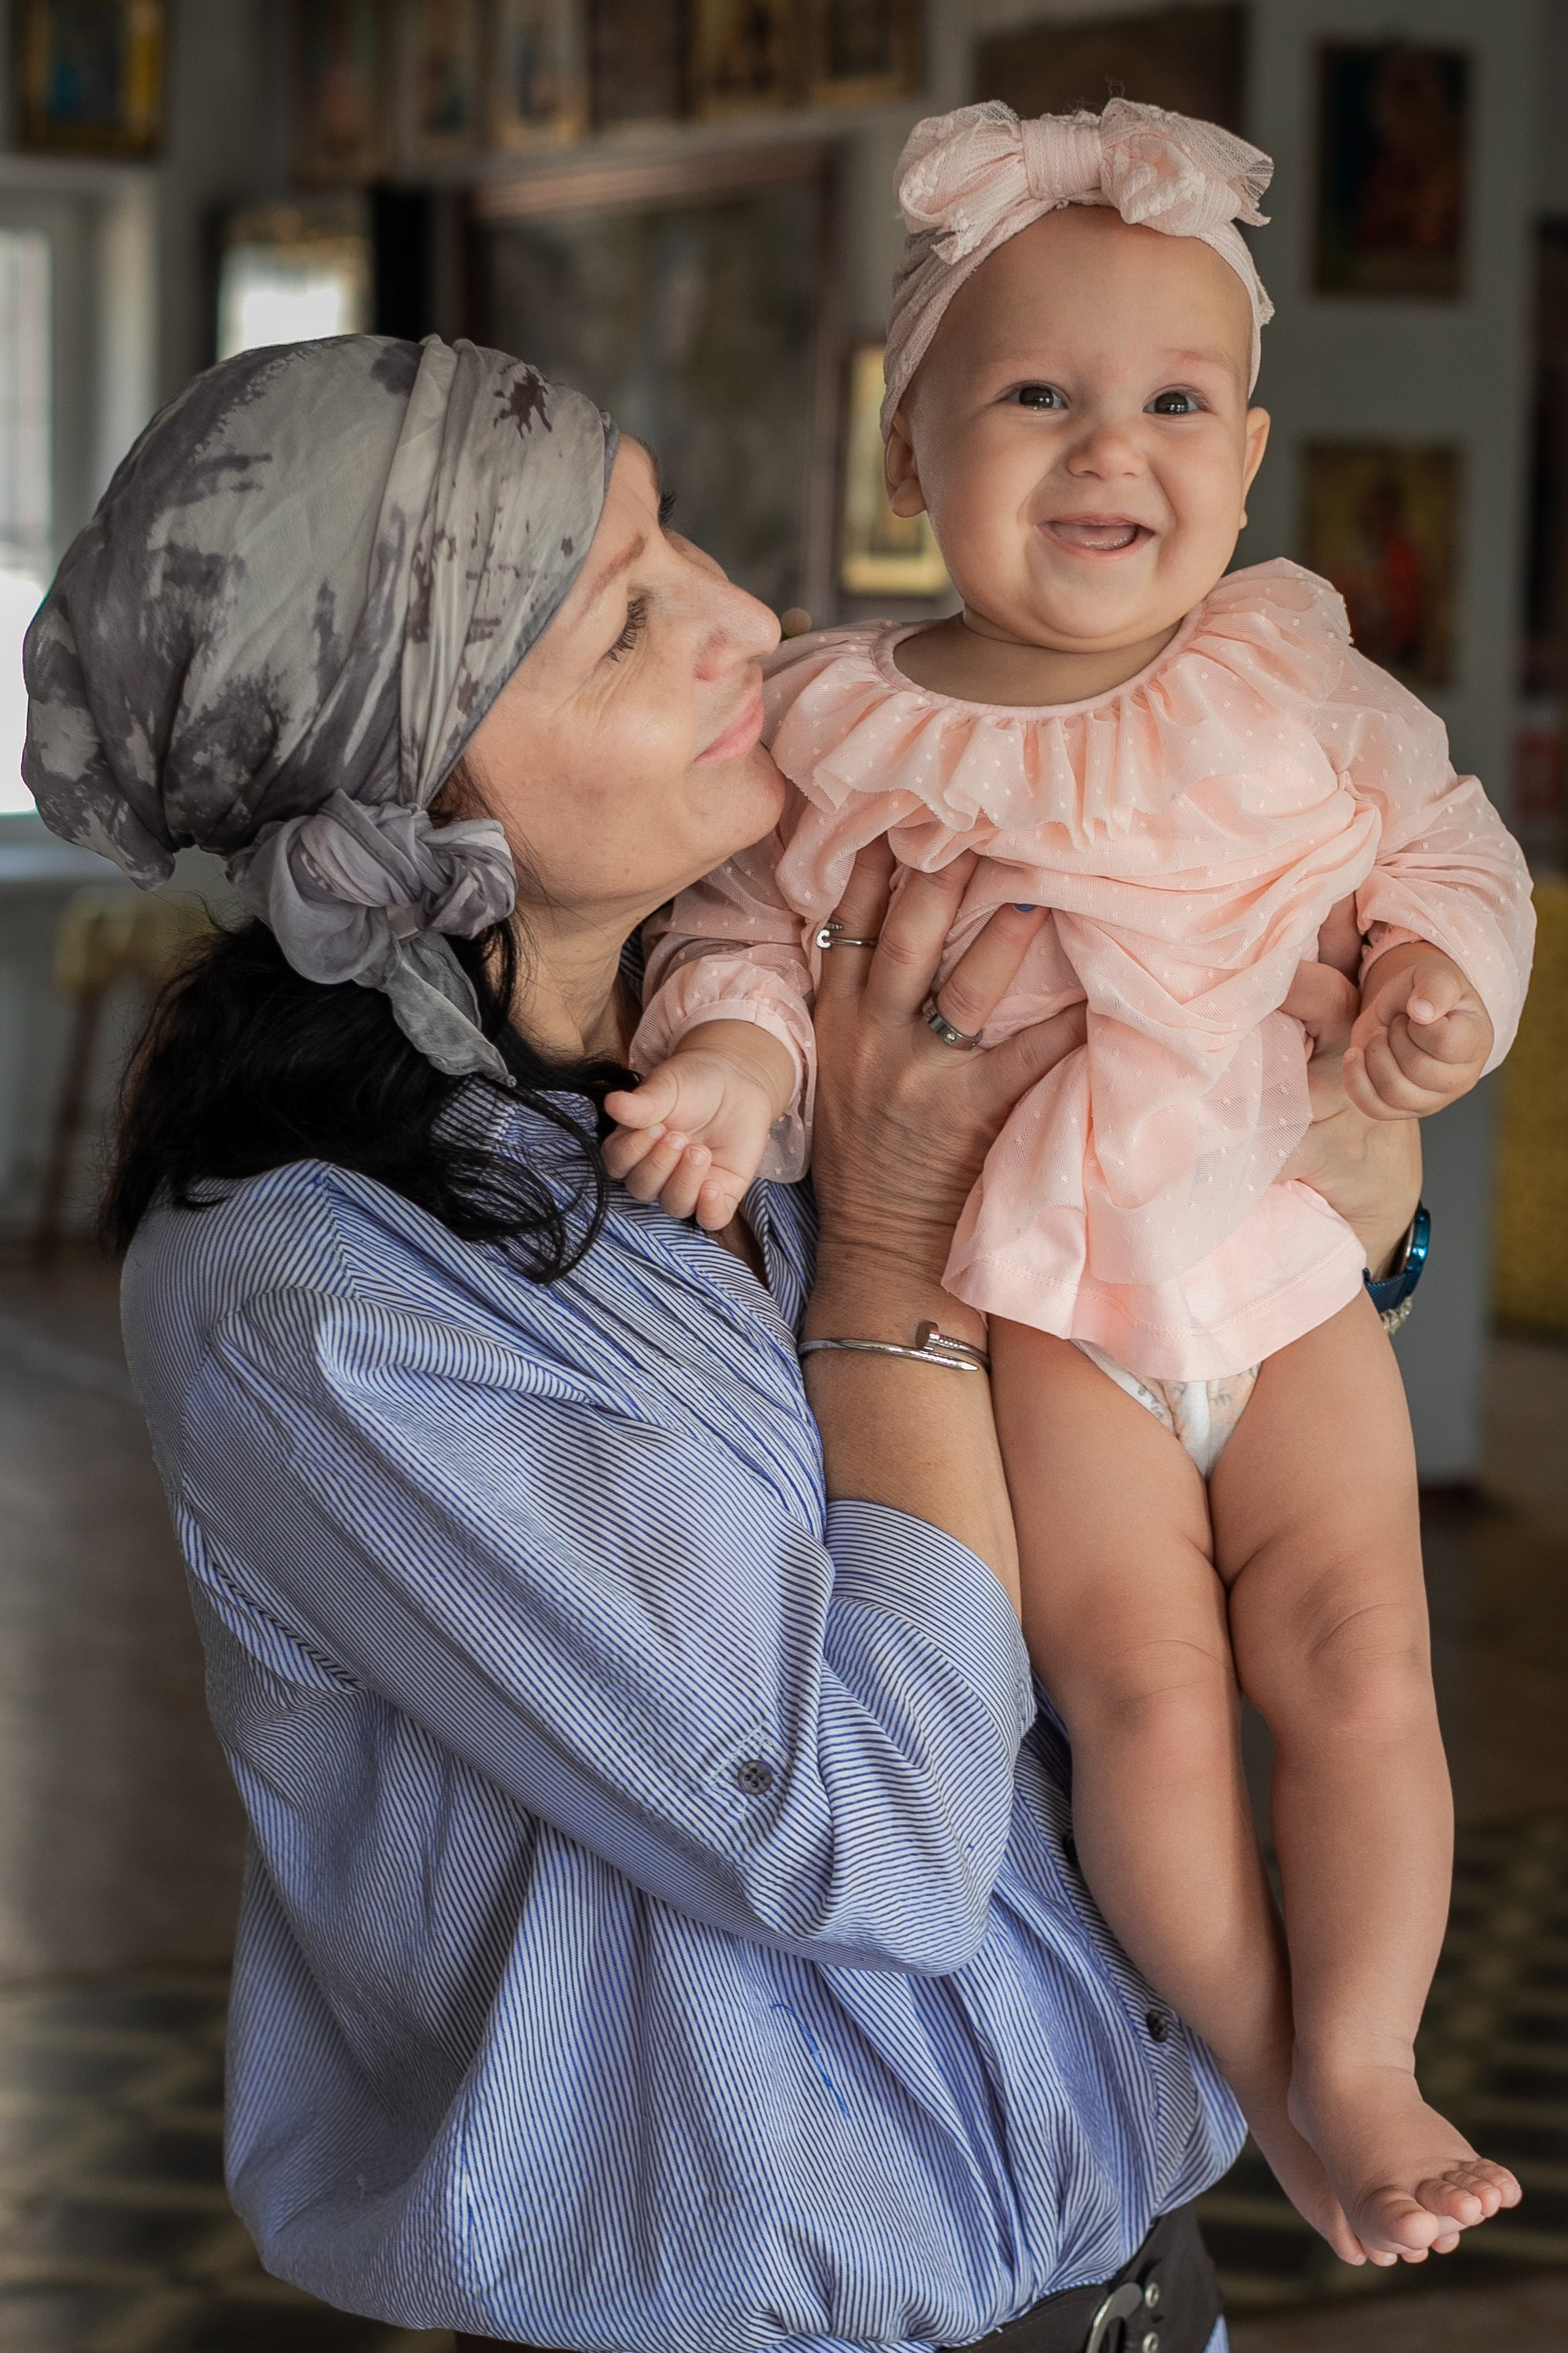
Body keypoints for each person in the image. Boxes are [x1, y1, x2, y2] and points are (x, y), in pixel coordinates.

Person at [25, 331, 1423, 2352]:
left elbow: (1133, 1403)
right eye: (624, 623)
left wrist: (1336, 1170)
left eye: (676, 535)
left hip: (1133, 2293)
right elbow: (870, 1849)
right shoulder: (315, 1306)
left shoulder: (772, 1030)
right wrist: (887, 1262)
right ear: (408, 793)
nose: (749, 622)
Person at [606, 100, 1534, 2270]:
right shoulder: (838, 730)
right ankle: (1251, 2054)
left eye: (1170, 400)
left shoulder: (1291, 679)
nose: (1107, 445)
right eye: (1032, 394)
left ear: (1244, 452)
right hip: (1043, 1318)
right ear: (910, 454)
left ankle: (1366, 2055)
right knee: (1134, 1696)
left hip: (1287, 1280)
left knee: (1356, 1662)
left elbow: (1455, 855)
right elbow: (742, 934)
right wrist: (739, 1066)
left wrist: (1436, 996)